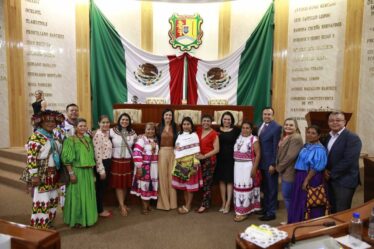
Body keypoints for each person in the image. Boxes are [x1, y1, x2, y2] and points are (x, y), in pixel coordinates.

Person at [21, 110, 65, 228]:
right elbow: (31, 157)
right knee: (42, 200)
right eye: (47, 121)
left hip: (54, 173)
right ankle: (39, 227)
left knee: (53, 199)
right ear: (40, 123)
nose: (51, 123)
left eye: (53, 121)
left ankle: (49, 223)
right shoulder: (36, 137)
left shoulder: (54, 136)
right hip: (42, 174)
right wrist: (34, 175)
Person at [62, 118, 98, 228]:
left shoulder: (88, 139)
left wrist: (92, 174)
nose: (83, 128)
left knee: (87, 195)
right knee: (77, 195)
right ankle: (77, 219)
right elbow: (67, 159)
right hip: (77, 171)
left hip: (88, 172)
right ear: (76, 127)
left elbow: (91, 157)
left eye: (84, 126)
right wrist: (71, 173)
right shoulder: (70, 140)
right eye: (80, 126)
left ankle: (87, 218)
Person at [288, 125, 328, 223]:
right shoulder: (307, 145)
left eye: (313, 133)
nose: (310, 135)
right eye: (308, 132)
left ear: (319, 136)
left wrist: (306, 180)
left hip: (311, 177)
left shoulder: (319, 149)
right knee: (298, 199)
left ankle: (307, 223)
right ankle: (296, 221)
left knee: (309, 200)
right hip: (300, 176)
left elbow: (316, 167)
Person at [324, 111, 362, 213]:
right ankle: (334, 228)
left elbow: (349, 161)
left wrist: (331, 174)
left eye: (338, 120)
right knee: (332, 208)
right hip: (330, 179)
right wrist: (324, 170)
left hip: (345, 180)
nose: (334, 122)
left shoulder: (352, 138)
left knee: (342, 211)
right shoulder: (328, 136)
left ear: (344, 122)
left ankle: (342, 229)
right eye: (331, 120)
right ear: (328, 122)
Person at [172, 117, 202, 214]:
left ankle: (188, 206)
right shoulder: (179, 135)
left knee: (190, 187)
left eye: (188, 124)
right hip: (181, 163)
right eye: (184, 124)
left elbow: (196, 151)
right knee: (185, 186)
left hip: (191, 163)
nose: (186, 126)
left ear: (191, 125)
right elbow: (177, 148)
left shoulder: (194, 135)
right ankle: (186, 204)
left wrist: (195, 163)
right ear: (182, 125)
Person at [110, 112, 137, 216]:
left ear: (129, 121)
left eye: (126, 120)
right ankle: (121, 205)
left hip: (127, 161)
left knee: (125, 184)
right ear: (119, 120)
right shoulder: (112, 131)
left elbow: (139, 141)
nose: (124, 121)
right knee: (118, 184)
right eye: (122, 119)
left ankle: (123, 203)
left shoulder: (133, 133)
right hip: (116, 161)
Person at [233, 122, 261, 222]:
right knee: (238, 187)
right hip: (237, 166)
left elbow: (258, 155)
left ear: (251, 129)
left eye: (247, 128)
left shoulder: (254, 139)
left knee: (246, 188)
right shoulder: (239, 137)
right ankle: (242, 209)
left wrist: (254, 168)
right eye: (243, 128)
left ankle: (243, 212)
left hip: (247, 166)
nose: (245, 130)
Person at [275, 118, 303, 218]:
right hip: (285, 171)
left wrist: (278, 168)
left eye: (291, 125)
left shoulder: (296, 138)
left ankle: (291, 220)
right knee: (287, 197)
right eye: (286, 124)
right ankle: (290, 219)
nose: (288, 127)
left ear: (296, 127)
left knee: (288, 197)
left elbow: (290, 156)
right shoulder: (286, 136)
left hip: (290, 171)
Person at [257, 107, 282, 221]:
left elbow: (276, 147)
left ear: (273, 115)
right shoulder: (260, 125)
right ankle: (266, 208)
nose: (266, 116)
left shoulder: (277, 127)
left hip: (270, 164)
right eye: (265, 114)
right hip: (261, 162)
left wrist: (274, 164)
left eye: (269, 114)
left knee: (272, 188)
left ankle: (271, 212)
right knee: (265, 188)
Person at [131, 122, 159, 214]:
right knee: (144, 186)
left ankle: (148, 205)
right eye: (148, 129)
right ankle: (144, 207)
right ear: (145, 130)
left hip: (154, 167)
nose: (150, 131)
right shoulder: (141, 140)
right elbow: (136, 153)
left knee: (151, 186)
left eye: (152, 129)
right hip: (144, 166)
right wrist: (139, 167)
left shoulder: (156, 140)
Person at [215, 111, 240, 214]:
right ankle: (223, 202)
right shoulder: (217, 130)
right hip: (220, 158)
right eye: (225, 119)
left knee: (229, 181)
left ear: (232, 121)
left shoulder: (236, 130)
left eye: (229, 119)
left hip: (231, 158)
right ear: (222, 120)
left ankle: (228, 203)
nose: (227, 121)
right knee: (221, 180)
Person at [195, 114, 219, 213]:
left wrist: (204, 156)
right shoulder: (198, 130)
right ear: (201, 121)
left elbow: (217, 149)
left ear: (211, 122)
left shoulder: (214, 134)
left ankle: (205, 204)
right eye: (204, 120)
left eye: (208, 121)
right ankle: (201, 202)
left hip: (209, 160)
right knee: (199, 182)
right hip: (198, 159)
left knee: (207, 183)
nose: (206, 123)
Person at [156, 109, 178, 210]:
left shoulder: (175, 127)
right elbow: (153, 138)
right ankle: (163, 204)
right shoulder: (158, 127)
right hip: (162, 152)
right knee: (162, 177)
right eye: (166, 115)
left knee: (171, 178)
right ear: (163, 116)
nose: (168, 117)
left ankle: (173, 204)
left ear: (172, 117)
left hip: (173, 153)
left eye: (170, 115)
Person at [93, 115, 112, 218]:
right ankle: (99, 211)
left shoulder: (107, 133)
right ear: (99, 123)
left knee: (103, 187)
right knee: (100, 188)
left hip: (108, 162)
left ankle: (100, 208)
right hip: (102, 164)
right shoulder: (98, 135)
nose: (106, 124)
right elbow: (97, 154)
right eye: (103, 122)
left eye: (107, 122)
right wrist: (101, 170)